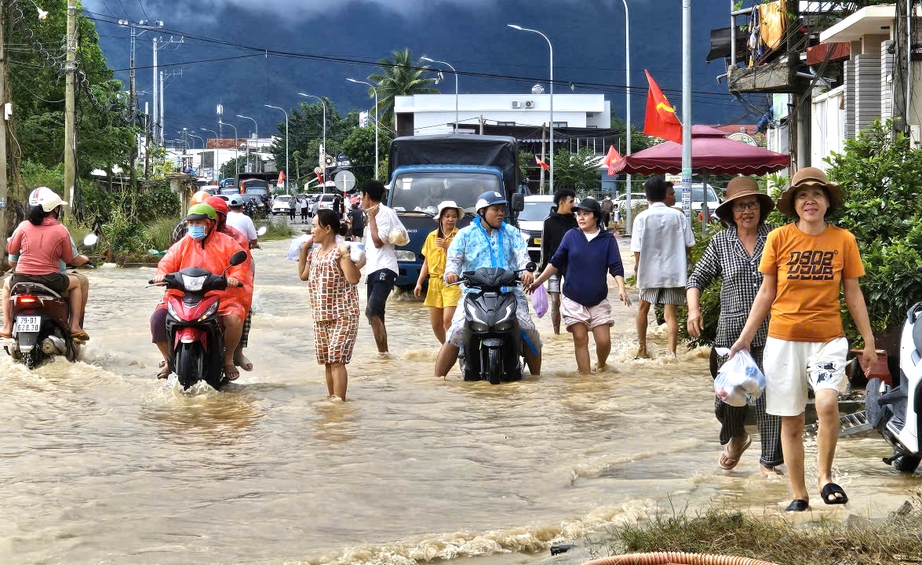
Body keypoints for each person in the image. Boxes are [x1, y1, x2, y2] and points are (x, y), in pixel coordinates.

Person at [728, 167, 877, 512]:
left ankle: (825, 477)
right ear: (794, 204)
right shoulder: (778, 238)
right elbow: (766, 292)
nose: (810, 200)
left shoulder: (844, 240)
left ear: (827, 202)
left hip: (829, 338)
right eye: (802, 195)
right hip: (783, 339)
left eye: (817, 194)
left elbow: (853, 295)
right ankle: (799, 493)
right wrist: (745, 338)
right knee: (791, 417)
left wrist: (868, 341)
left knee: (826, 403)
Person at [686, 177, 783, 475]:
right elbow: (696, 279)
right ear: (731, 212)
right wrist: (693, 309)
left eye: (751, 204)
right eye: (740, 206)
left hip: (771, 331)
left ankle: (770, 462)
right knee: (726, 398)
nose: (747, 211)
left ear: (760, 209)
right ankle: (737, 436)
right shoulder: (721, 242)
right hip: (730, 333)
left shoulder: (776, 238)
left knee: (770, 398)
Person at [434, 191, 541, 377]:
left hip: (509, 293)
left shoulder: (512, 233)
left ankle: (537, 378)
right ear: (482, 211)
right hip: (473, 294)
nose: (501, 213)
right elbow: (454, 260)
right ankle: (437, 380)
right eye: (496, 209)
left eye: (502, 209)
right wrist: (451, 273)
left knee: (528, 329)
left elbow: (523, 258)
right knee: (456, 330)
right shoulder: (465, 235)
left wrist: (527, 272)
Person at [529, 198, 631, 374]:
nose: (581, 218)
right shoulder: (571, 236)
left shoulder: (607, 239)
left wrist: (621, 288)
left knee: (604, 341)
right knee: (580, 337)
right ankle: (585, 381)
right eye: (579, 214)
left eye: (586, 214)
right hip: (573, 298)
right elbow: (555, 262)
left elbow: (615, 266)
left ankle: (601, 364)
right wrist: (538, 282)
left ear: (596, 217)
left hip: (598, 299)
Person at [150, 204, 249, 381]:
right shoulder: (182, 245)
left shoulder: (227, 243)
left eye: (199, 222)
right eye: (191, 223)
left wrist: (235, 278)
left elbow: (240, 266)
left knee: (234, 319)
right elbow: (166, 263)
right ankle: (168, 361)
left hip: (220, 296)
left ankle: (228, 359)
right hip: (181, 296)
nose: (194, 227)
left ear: (210, 223)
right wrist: (160, 275)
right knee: (157, 319)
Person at [1, 187, 89, 341]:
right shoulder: (61, 230)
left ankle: (7, 326)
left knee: (7, 284)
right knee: (76, 284)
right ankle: (75, 326)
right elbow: (69, 259)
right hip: (50, 280)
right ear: (55, 209)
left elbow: (11, 252)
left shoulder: (22, 227)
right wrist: (85, 259)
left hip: (21, 279)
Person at [298, 210, 362, 401]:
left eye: (314, 226)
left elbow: (353, 278)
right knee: (327, 361)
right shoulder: (315, 254)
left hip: (344, 314)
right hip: (320, 315)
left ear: (327, 229)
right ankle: (332, 400)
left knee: (336, 360)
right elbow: (303, 275)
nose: (312, 231)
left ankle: (339, 404)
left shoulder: (339, 252)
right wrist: (303, 249)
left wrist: (345, 256)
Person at [631, 176, 695, 358]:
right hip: (675, 272)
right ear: (664, 194)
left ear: (647, 196)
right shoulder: (678, 216)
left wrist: (638, 268)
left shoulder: (641, 218)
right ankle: (671, 353)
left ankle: (642, 349)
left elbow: (637, 249)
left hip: (649, 271)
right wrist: (684, 261)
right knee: (671, 314)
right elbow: (689, 244)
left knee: (643, 308)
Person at [414, 201, 464, 344]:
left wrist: (448, 246)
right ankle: (447, 349)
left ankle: (454, 350)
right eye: (447, 216)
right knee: (436, 325)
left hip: (453, 282)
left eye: (453, 216)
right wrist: (419, 282)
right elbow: (427, 262)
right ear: (441, 218)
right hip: (434, 282)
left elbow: (463, 259)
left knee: (448, 321)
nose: (450, 219)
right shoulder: (431, 237)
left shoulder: (460, 236)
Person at [361, 180, 400, 358]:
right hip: (373, 269)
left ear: (367, 196)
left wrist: (372, 219)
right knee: (375, 316)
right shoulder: (373, 215)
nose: (361, 200)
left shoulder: (382, 213)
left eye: (361, 196)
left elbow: (378, 242)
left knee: (372, 310)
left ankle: (384, 353)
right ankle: (384, 355)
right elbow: (368, 250)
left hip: (385, 268)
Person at [540, 189, 578, 334]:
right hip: (553, 266)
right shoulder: (548, 222)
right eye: (571, 202)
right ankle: (557, 334)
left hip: (572, 266)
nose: (573, 205)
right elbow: (544, 248)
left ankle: (574, 329)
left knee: (572, 299)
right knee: (555, 300)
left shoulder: (576, 221)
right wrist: (542, 271)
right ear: (561, 203)